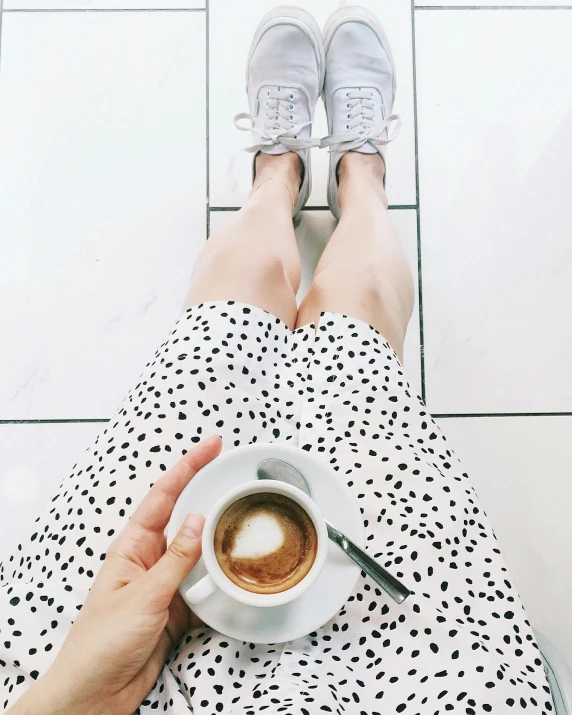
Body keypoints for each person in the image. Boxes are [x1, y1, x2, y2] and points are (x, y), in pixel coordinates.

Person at [0, 6, 553, 715]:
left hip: (98, 686)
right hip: (406, 683)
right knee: (357, 335)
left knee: (217, 333)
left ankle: (277, 173)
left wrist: (75, 698)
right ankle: (361, 175)